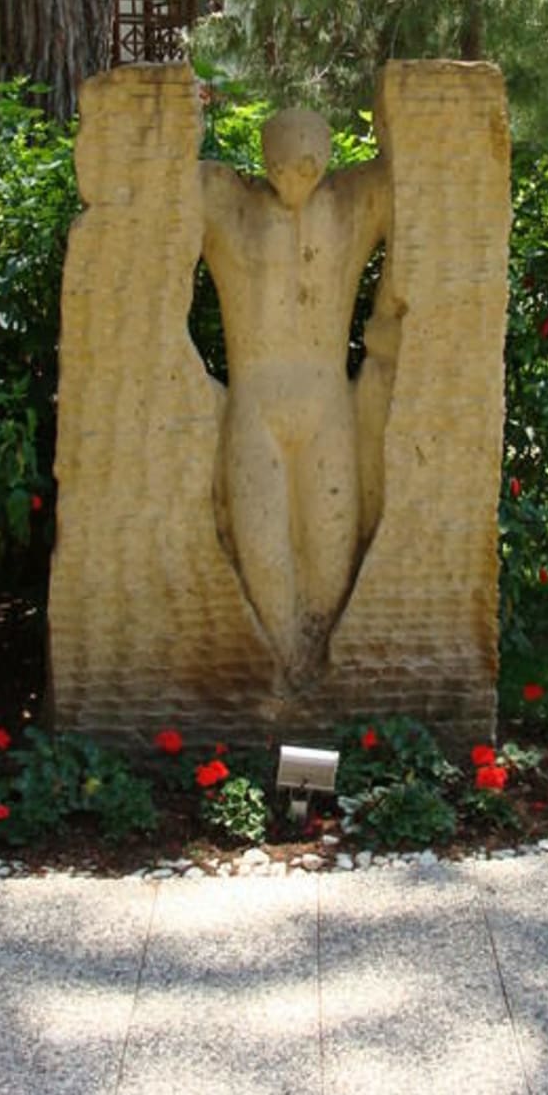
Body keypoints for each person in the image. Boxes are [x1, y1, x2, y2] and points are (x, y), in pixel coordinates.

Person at [201, 108, 389, 686]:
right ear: (264, 159)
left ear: (326, 159)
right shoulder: (226, 204)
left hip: (326, 402)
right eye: (280, 166)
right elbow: (162, 197)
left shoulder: (355, 203)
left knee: (331, 545)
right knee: (261, 549)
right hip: (255, 402)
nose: (292, 179)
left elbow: (420, 179)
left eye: (306, 166)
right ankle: (279, 671)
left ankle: (313, 671)